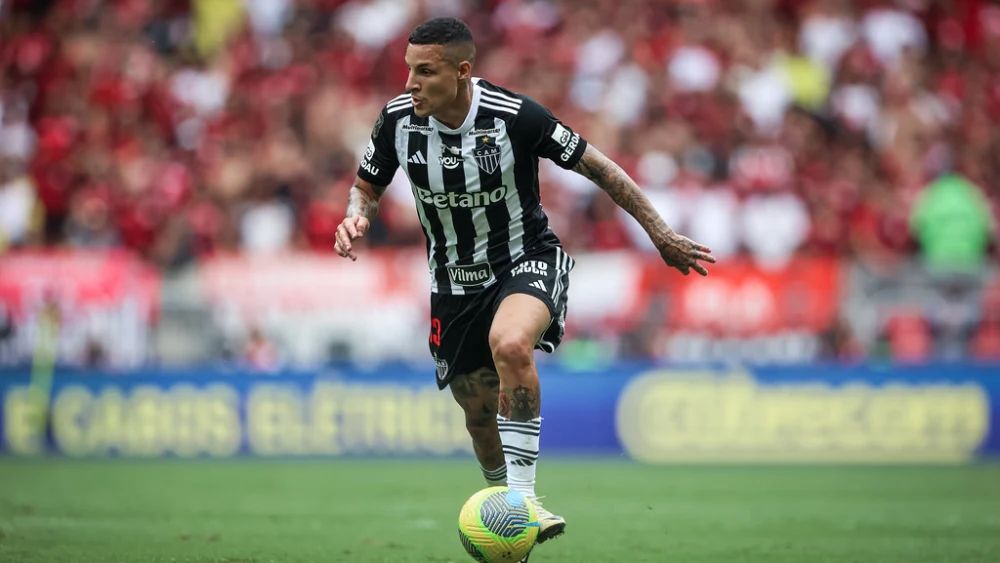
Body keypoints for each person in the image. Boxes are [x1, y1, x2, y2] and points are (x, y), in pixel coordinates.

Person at [334, 17, 715, 550]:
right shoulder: (397, 122)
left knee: (511, 344)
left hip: (525, 257)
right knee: (477, 414)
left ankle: (522, 501)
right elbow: (365, 188)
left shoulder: (516, 116)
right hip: (452, 281)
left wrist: (661, 233)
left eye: (425, 72)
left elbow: (601, 169)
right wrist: (357, 216)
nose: (410, 83)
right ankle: (506, 521)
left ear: (462, 71)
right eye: (408, 70)